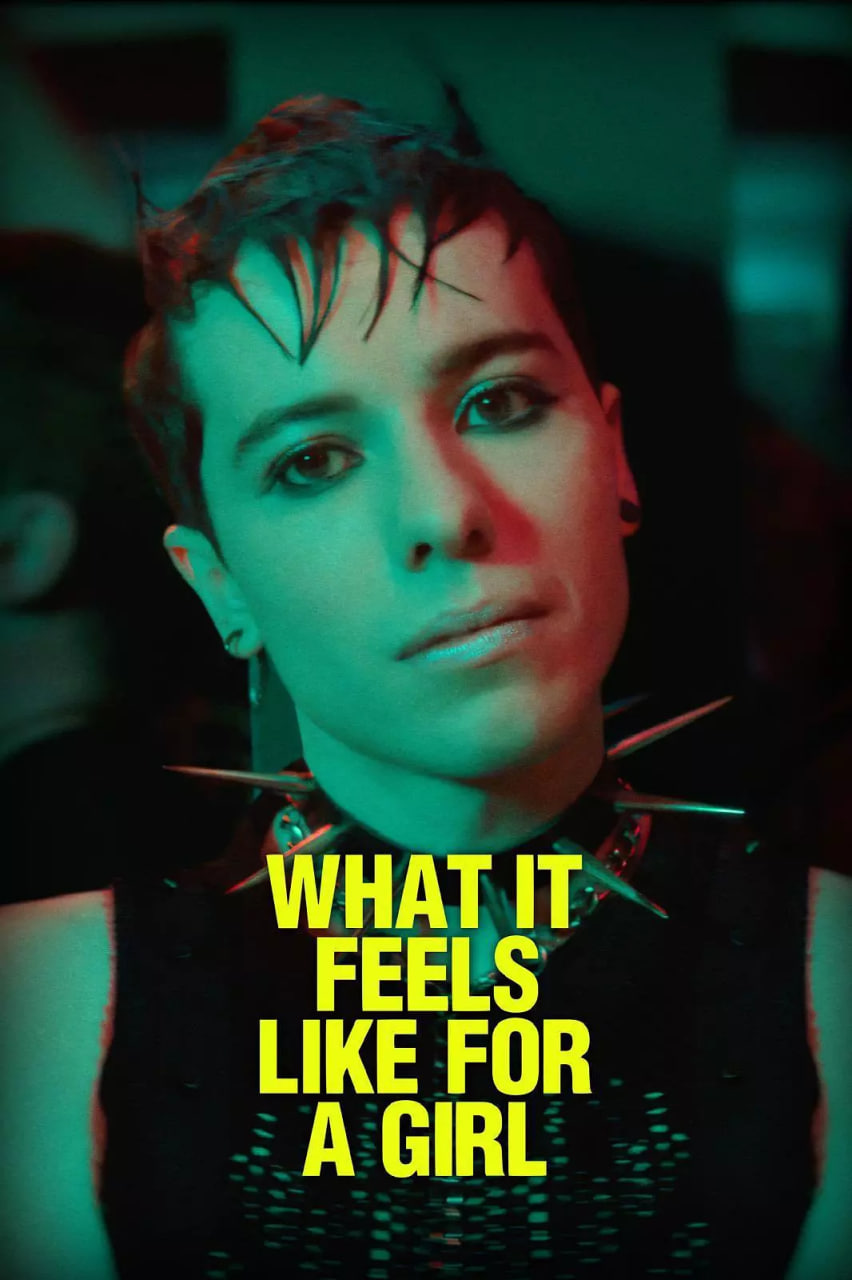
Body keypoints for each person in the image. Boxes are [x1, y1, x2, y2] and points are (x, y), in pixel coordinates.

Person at [1, 94, 850, 1280]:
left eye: (498, 402)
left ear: (614, 458)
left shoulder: (834, 974)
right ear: (221, 584)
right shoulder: (34, 1008)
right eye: (313, 460)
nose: (445, 513)